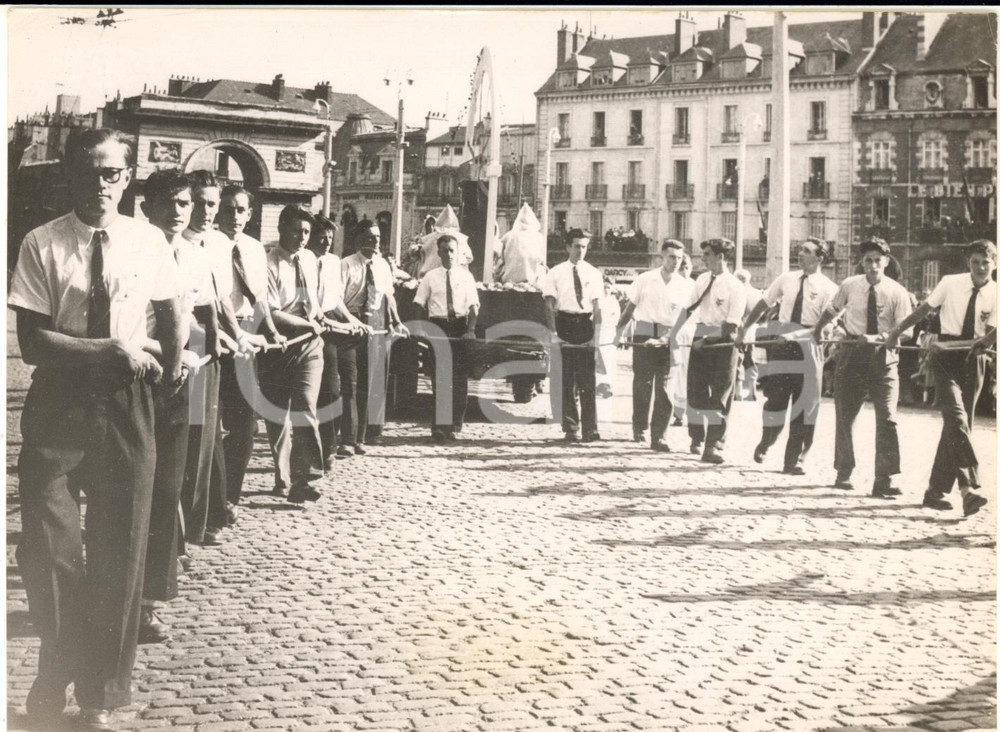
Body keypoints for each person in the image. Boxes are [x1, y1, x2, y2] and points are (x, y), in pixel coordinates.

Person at [8, 128, 184, 731]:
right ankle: (54, 671)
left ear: (127, 177)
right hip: (60, 401)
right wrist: (111, 347)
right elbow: (33, 342)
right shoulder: (42, 242)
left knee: (120, 547)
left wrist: (169, 369)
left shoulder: (149, 239)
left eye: (111, 173)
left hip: (128, 402)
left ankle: (100, 696)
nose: (100, 185)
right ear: (70, 176)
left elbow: (173, 311)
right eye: (87, 173)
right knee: (51, 547)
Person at [136, 169, 221, 648]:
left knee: (168, 487)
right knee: (129, 489)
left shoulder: (191, 255)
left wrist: (199, 354)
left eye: (184, 203)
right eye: (167, 202)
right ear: (147, 205)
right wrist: (168, 352)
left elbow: (197, 316)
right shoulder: (133, 247)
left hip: (180, 382)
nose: (177, 211)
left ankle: (149, 602)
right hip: (134, 377)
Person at [885, 239, 996, 516]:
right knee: (957, 418)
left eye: (986, 262)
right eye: (975, 262)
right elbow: (923, 311)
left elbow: (988, 338)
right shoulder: (949, 282)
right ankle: (968, 488)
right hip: (945, 359)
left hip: (974, 359)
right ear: (968, 263)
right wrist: (897, 332)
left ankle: (935, 492)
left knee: (958, 425)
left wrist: (980, 343)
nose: (980, 267)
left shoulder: (997, 293)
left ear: (995, 264)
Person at [813, 238, 913, 498]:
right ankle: (844, 471)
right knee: (846, 416)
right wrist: (819, 328)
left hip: (884, 359)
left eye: (877, 261)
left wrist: (879, 338)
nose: (872, 266)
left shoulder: (897, 292)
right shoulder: (849, 285)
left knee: (888, 419)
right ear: (862, 262)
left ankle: (885, 478)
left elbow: (908, 331)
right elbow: (832, 310)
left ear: (886, 262)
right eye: (867, 260)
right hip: (852, 357)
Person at [740, 238, 838, 475]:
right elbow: (764, 303)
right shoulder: (786, 279)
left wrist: (798, 334)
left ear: (820, 258)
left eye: (807, 251)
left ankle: (794, 460)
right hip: (782, 345)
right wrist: (745, 328)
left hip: (810, 345)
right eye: (800, 250)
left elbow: (826, 328)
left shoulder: (830, 288)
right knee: (775, 399)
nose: (800, 254)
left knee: (806, 405)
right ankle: (767, 441)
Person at [216, 185, 284, 511]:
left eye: (241, 210)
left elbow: (259, 299)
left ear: (250, 213)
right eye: (227, 209)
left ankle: (228, 495)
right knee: (207, 424)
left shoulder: (255, 249)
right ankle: (207, 501)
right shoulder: (207, 244)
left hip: (246, 336)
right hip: (210, 333)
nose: (234, 216)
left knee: (246, 424)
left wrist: (270, 331)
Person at [260, 206, 330, 503]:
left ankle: (305, 477)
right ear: (281, 228)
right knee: (278, 414)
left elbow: (314, 300)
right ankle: (281, 473)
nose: (302, 238)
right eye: (295, 231)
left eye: (306, 232)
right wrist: (308, 324)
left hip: (310, 347)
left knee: (305, 407)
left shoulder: (311, 259)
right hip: (279, 346)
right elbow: (273, 314)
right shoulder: (268, 263)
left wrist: (318, 318)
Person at [617, 240, 695, 451]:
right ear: (662, 256)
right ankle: (639, 427)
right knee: (643, 384)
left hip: (670, 335)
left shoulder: (687, 286)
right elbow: (630, 308)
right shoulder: (645, 279)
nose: (675, 262)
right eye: (671, 257)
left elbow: (688, 318)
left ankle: (659, 436)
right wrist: (619, 332)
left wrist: (670, 336)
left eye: (679, 258)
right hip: (644, 331)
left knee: (665, 387)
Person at [306, 214, 370, 468]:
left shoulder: (333, 262)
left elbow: (335, 299)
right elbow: (313, 306)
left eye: (330, 238)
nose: (326, 243)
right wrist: (336, 323)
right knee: (329, 389)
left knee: (347, 383)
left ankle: (342, 441)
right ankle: (327, 447)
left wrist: (352, 322)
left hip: (335, 321)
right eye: (321, 238)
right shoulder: (305, 260)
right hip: (315, 325)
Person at [341, 220, 408, 450]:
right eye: (370, 237)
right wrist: (351, 323)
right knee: (351, 382)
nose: (375, 241)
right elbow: (337, 300)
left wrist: (397, 321)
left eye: (378, 237)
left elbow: (389, 297)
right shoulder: (346, 265)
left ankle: (364, 436)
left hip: (377, 323)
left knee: (372, 381)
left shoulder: (382, 266)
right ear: (357, 239)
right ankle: (348, 439)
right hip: (352, 323)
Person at [684, 238, 747, 464]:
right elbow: (689, 309)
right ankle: (697, 437)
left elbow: (731, 324)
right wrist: (674, 335)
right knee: (695, 393)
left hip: (723, 343)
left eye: (708, 254)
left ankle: (713, 446)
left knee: (720, 397)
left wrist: (705, 340)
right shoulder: (701, 279)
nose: (704, 258)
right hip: (700, 337)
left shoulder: (736, 287)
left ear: (721, 257)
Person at [413, 234, 481, 442]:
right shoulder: (430, 277)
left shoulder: (466, 277)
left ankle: (454, 425)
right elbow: (418, 304)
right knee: (440, 380)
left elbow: (474, 307)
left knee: (459, 380)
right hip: (438, 327)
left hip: (460, 328)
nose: (449, 254)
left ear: (458, 252)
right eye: (445, 250)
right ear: (439, 252)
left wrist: (470, 330)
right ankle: (439, 427)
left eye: (452, 250)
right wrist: (421, 328)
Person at [542, 228, 604, 443]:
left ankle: (590, 429)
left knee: (588, 381)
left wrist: (596, 337)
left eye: (584, 247)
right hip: (565, 323)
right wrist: (553, 334)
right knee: (565, 380)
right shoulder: (555, 272)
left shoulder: (594, 273)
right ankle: (571, 428)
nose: (581, 251)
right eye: (577, 246)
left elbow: (597, 308)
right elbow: (549, 305)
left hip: (585, 324)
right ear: (568, 247)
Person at [668, 252, 693, 427]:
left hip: (691, 332)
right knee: (675, 372)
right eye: (682, 268)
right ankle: (676, 411)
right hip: (675, 331)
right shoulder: (673, 286)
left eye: (687, 268)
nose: (685, 271)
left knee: (688, 372)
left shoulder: (694, 285)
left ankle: (684, 410)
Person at [733, 268, 764, 401]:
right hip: (752, 331)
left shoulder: (737, 293)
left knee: (737, 360)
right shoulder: (757, 293)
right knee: (750, 361)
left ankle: (738, 392)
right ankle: (752, 392)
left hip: (739, 330)